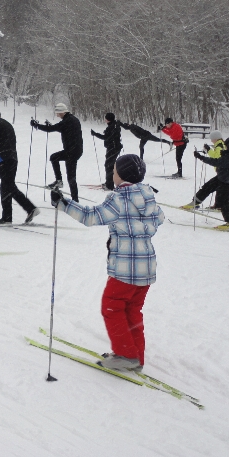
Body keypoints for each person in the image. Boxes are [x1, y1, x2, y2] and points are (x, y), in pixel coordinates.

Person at [50, 154, 165, 371]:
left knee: (111, 307)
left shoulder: (119, 199)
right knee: (132, 310)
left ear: (121, 176)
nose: (112, 175)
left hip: (125, 270)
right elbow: (159, 218)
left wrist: (64, 204)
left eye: (114, 171)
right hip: (146, 267)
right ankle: (135, 355)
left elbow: (91, 216)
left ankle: (126, 355)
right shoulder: (148, 196)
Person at [185, 135, 229, 231]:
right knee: (207, 187)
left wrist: (200, 157)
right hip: (222, 176)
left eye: (227, 145)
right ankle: (195, 202)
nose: (225, 147)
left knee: (225, 201)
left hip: (226, 179)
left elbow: (216, 162)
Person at [31, 102, 83, 201]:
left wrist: (37, 125)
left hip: (72, 151)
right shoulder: (72, 119)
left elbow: (51, 129)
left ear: (62, 112)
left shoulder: (67, 121)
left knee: (55, 159)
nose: (57, 115)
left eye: (57, 113)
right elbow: (64, 130)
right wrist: (51, 126)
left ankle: (60, 183)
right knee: (70, 176)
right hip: (75, 150)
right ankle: (74, 198)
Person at [91, 112, 123, 190]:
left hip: (113, 148)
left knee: (109, 166)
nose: (105, 120)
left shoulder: (111, 127)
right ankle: (109, 183)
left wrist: (95, 134)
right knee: (110, 165)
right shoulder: (115, 125)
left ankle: (109, 185)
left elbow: (106, 137)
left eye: (106, 118)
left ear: (108, 119)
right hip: (114, 148)